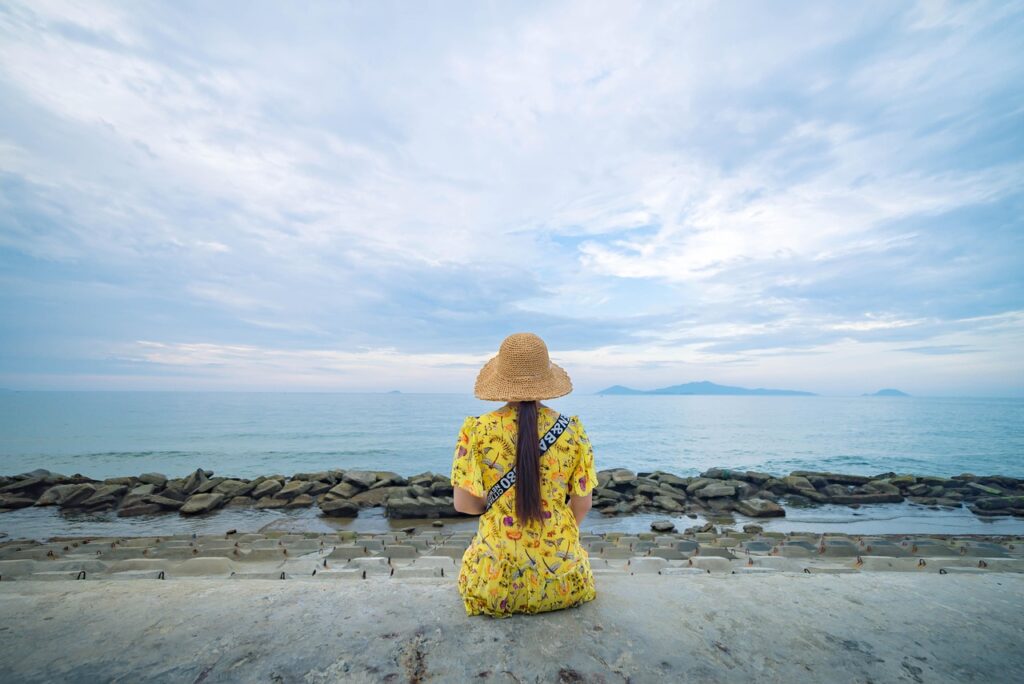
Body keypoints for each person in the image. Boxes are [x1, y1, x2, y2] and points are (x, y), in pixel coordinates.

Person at [449, 332, 598, 618]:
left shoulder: (477, 430)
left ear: (501, 381)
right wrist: (557, 537)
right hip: (564, 580)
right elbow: (583, 504)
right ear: (546, 379)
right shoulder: (572, 431)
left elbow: (463, 505)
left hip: (494, 587)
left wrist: (494, 505)